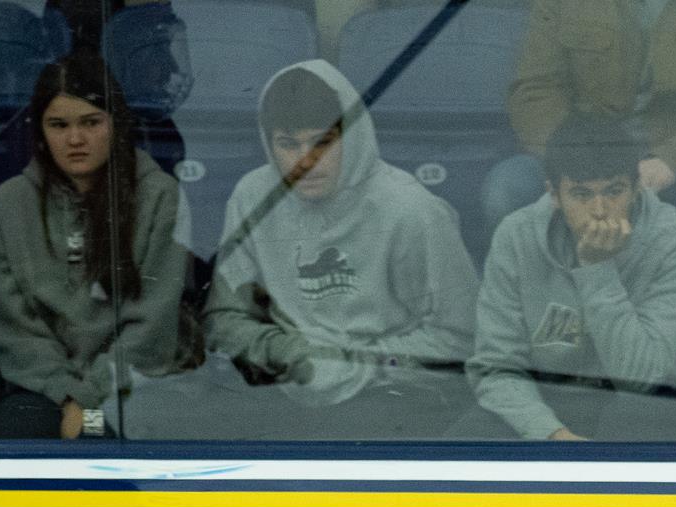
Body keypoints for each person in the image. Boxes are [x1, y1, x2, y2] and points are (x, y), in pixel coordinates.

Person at [196, 60, 478, 439]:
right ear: (268, 143)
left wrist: (354, 365)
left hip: (391, 388)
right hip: (283, 379)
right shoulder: (253, 195)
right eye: (288, 144)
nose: (306, 161)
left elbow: (460, 336)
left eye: (323, 141)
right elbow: (225, 315)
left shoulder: (412, 210)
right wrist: (280, 352)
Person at [0, 53, 193, 438]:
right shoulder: (9, 203)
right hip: (44, 392)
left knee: (110, 433)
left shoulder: (160, 196)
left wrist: (88, 399)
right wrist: (67, 396)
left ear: (116, 124)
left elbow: (153, 324)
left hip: (133, 389)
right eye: (58, 125)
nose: (75, 139)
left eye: (91, 122)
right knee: (14, 431)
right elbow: (12, 326)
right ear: (40, 131)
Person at [465, 114, 676, 442]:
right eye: (582, 194)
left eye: (614, 191)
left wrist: (596, 269)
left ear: (637, 188)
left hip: (658, 396)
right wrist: (550, 433)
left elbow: (639, 377)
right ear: (554, 194)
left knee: (629, 422)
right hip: (551, 395)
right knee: (459, 451)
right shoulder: (516, 235)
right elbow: (496, 365)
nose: (599, 210)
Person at [492, 0, 676, 268]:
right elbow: (534, 90)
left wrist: (672, 159)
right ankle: (542, 317)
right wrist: (575, 157)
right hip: (584, 150)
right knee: (506, 189)